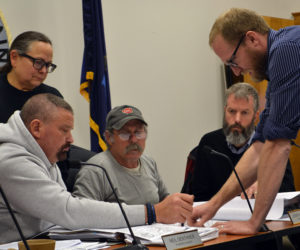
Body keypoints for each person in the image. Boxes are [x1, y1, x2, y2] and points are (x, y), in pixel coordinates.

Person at [0, 94, 194, 244]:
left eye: (139, 132)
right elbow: (68, 211)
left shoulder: (43, 156)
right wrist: (151, 213)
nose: (71, 139)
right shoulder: (11, 160)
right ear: (36, 128)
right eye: (64, 130)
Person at [189, 8, 300, 236]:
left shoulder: (286, 51)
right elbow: (259, 148)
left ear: (252, 38)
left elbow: (278, 145)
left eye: (233, 60)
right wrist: (214, 204)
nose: (237, 71)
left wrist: (253, 222)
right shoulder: (279, 63)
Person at [0, 31, 96, 190]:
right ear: (14, 57)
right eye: (38, 63)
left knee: (96, 162)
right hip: (7, 178)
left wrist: (60, 188)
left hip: (47, 178)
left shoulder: (52, 97)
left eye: (48, 65)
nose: (44, 71)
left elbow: (62, 149)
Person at [184, 82, 295, 201]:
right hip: (220, 216)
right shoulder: (209, 143)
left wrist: (265, 187)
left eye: (244, 113)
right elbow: (199, 196)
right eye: (232, 111)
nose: (237, 119)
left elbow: (288, 191)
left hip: (263, 216)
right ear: (225, 110)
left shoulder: (271, 143)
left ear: (256, 116)